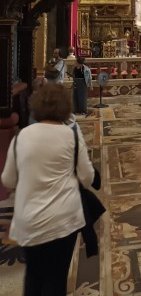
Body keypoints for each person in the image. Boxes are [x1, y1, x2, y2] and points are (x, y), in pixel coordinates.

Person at [1, 83, 94, 296]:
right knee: (56, 277)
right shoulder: (71, 135)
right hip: (63, 219)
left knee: (33, 275)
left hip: (30, 219)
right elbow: (87, 178)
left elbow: (8, 179)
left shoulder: (21, 136)